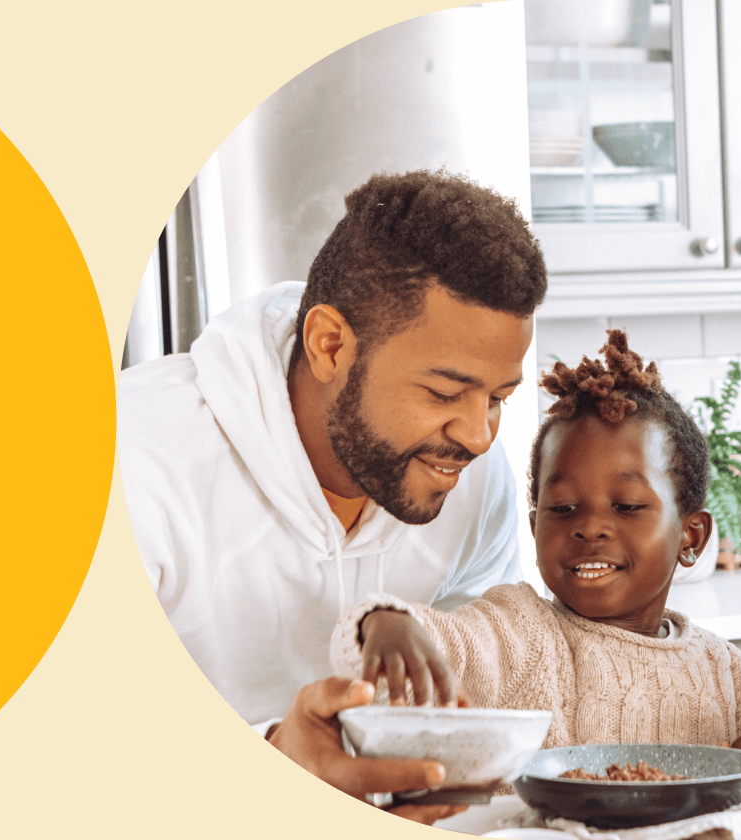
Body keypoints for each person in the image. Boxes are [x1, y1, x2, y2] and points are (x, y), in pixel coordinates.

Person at [117, 169, 548, 820]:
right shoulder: (134, 460)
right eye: (443, 392)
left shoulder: (466, 476)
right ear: (330, 345)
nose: (479, 436)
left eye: (499, 399)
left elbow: (476, 667)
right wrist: (273, 760)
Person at [330, 331, 741, 786]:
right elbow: (427, 645)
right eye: (563, 509)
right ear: (535, 525)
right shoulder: (517, 633)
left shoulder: (729, 677)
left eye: (627, 506)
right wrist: (385, 624)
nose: (590, 528)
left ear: (691, 537)